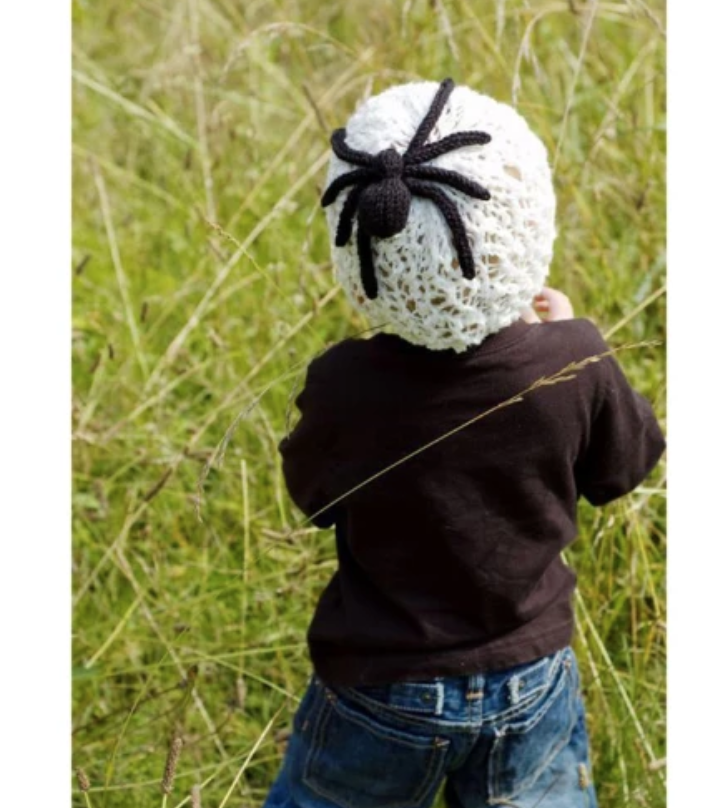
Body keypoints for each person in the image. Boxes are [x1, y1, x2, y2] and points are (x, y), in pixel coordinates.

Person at [262, 79, 665, 808]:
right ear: (528, 232)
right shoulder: (572, 361)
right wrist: (571, 339)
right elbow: (625, 467)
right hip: (531, 677)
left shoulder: (344, 384)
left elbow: (312, 494)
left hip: (378, 690)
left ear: (359, 252)